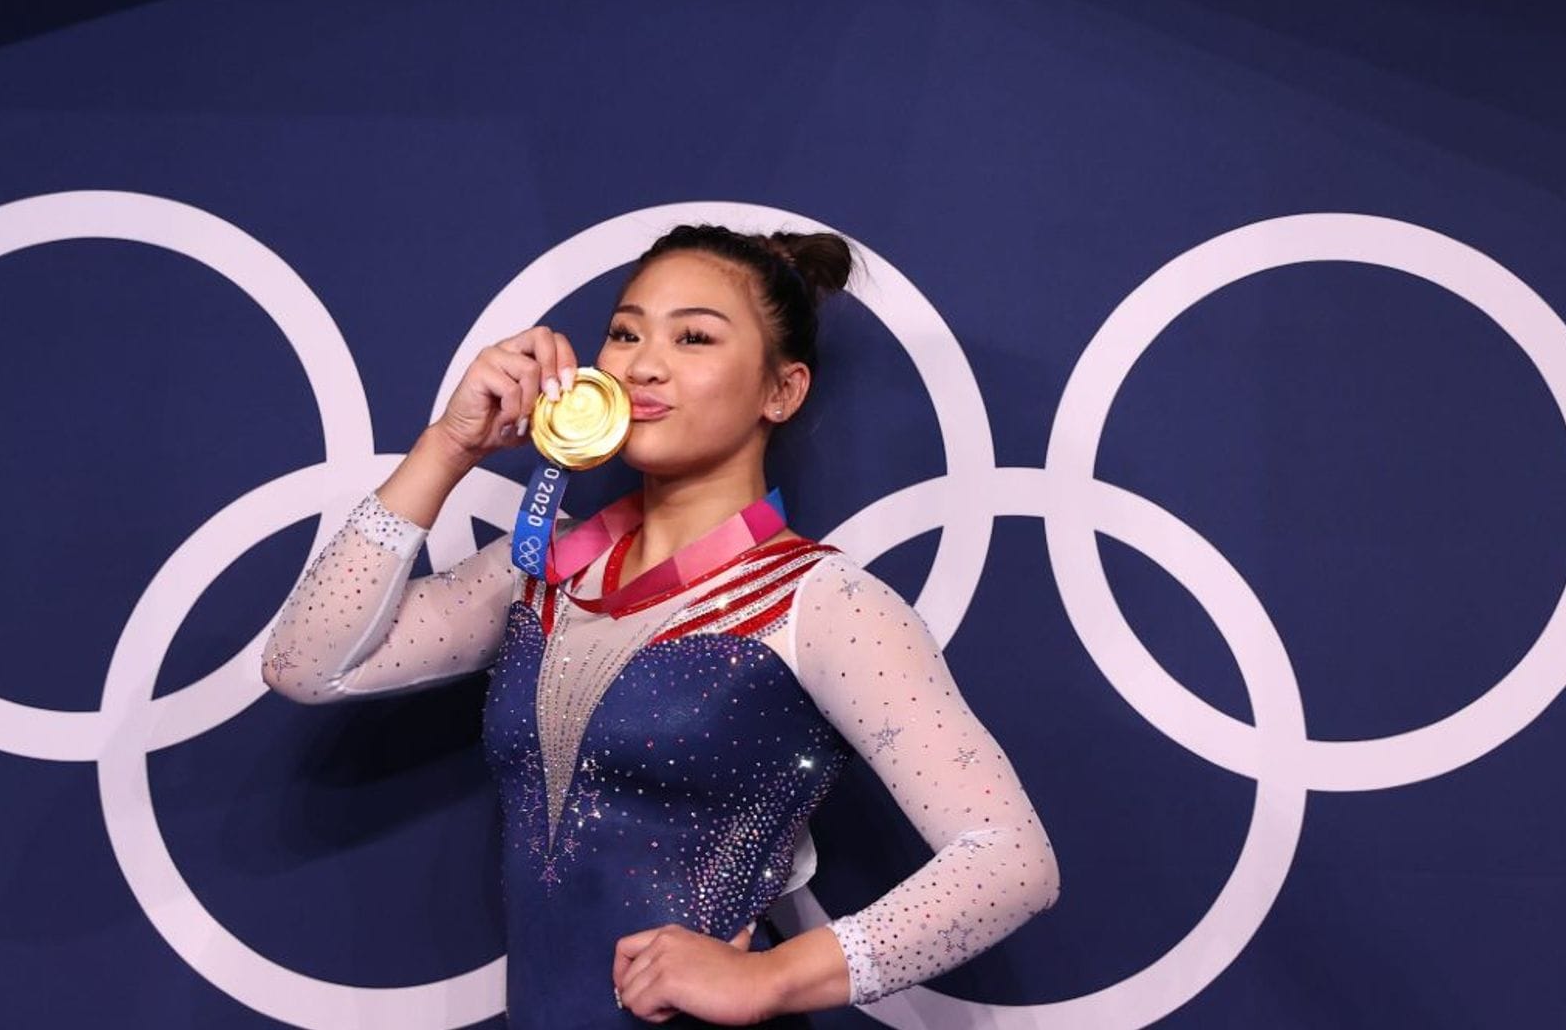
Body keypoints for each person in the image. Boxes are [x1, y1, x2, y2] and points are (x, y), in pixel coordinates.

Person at [260, 224, 1059, 1027]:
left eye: (695, 337)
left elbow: (1012, 862)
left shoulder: (820, 602)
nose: (642, 363)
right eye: (625, 331)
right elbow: (305, 662)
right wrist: (448, 446)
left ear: (781, 391)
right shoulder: (540, 570)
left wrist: (777, 978)